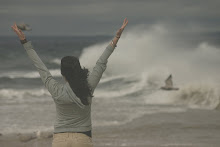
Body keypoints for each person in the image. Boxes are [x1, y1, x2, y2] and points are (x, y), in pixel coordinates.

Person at [11, 18, 128, 147]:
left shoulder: (56, 90)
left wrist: (24, 41)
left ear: (62, 73)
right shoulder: (88, 86)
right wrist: (116, 39)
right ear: (78, 69)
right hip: (83, 139)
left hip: (60, 140)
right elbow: (101, 62)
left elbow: (40, 66)